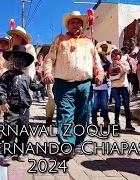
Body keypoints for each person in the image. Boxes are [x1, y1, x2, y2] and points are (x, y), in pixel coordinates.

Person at [44, 11, 104, 157]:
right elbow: (49, 58)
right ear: (68, 25)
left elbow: (96, 61)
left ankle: (78, 143)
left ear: (82, 26)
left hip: (85, 84)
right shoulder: (60, 40)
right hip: (63, 84)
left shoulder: (89, 42)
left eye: (78, 23)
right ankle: (67, 145)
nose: (75, 25)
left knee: (83, 115)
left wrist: (100, 73)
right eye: (72, 22)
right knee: (65, 114)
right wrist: (47, 72)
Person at [0, 45, 45, 165]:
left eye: (21, 60)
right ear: (11, 60)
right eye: (16, 59)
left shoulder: (27, 77)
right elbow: (0, 88)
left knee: (24, 131)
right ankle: (8, 153)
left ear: (25, 63)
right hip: (11, 109)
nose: (18, 61)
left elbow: (35, 86)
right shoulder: (7, 75)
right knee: (9, 131)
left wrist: (44, 82)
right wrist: (3, 101)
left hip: (24, 109)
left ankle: (20, 152)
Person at [108, 49, 135, 131]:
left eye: (116, 55)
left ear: (120, 55)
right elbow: (110, 75)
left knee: (126, 105)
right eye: (112, 56)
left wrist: (120, 65)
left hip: (124, 86)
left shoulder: (124, 62)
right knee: (117, 105)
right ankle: (116, 123)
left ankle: (128, 124)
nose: (114, 57)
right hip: (114, 87)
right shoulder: (111, 65)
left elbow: (128, 70)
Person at [91, 44, 111, 129]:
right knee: (94, 104)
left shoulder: (106, 62)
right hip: (94, 85)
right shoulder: (91, 62)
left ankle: (106, 120)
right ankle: (94, 120)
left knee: (104, 104)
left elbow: (110, 71)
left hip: (103, 85)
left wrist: (106, 73)